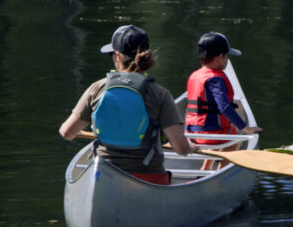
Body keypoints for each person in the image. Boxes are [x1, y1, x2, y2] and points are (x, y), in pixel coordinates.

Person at [59, 24, 197, 184]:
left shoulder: (96, 89)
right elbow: (180, 148)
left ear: (117, 56)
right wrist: (190, 148)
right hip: (148, 177)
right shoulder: (160, 94)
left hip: (104, 176)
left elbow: (67, 133)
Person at [185, 32, 262, 170]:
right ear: (220, 57)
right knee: (233, 135)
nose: (227, 60)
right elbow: (224, 107)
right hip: (210, 135)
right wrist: (246, 128)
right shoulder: (215, 78)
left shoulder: (195, 75)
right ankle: (221, 170)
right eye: (227, 56)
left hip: (193, 134)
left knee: (216, 128)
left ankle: (206, 168)